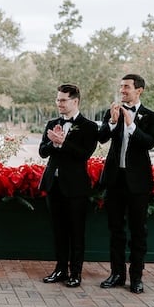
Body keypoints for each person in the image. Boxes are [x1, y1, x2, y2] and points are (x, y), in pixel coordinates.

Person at [98, 74, 154, 294]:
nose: (122, 90)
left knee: (138, 231)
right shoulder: (111, 111)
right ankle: (116, 274)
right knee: (115, 230)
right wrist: (113, 122)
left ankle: (136, 277)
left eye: (127, 87)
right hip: (115, 179)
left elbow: (150, 142)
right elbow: (102, 138)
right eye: (121, 86)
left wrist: (131, 125)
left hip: (138, 182)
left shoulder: (151, 116)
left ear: (139, 90)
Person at [39, 84, 98, 288]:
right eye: (57, 100)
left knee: (76, 231)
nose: (59, 104)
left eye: (63, 100)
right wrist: (53, 143)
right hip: (54, 185)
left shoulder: (89, 126)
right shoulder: (52, 123)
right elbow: (42, 152)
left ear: (75, 101)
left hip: (75, 188)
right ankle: (60, 269)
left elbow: (84, 154)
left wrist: (63, 143)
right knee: (58, 230)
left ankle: (76, 273)